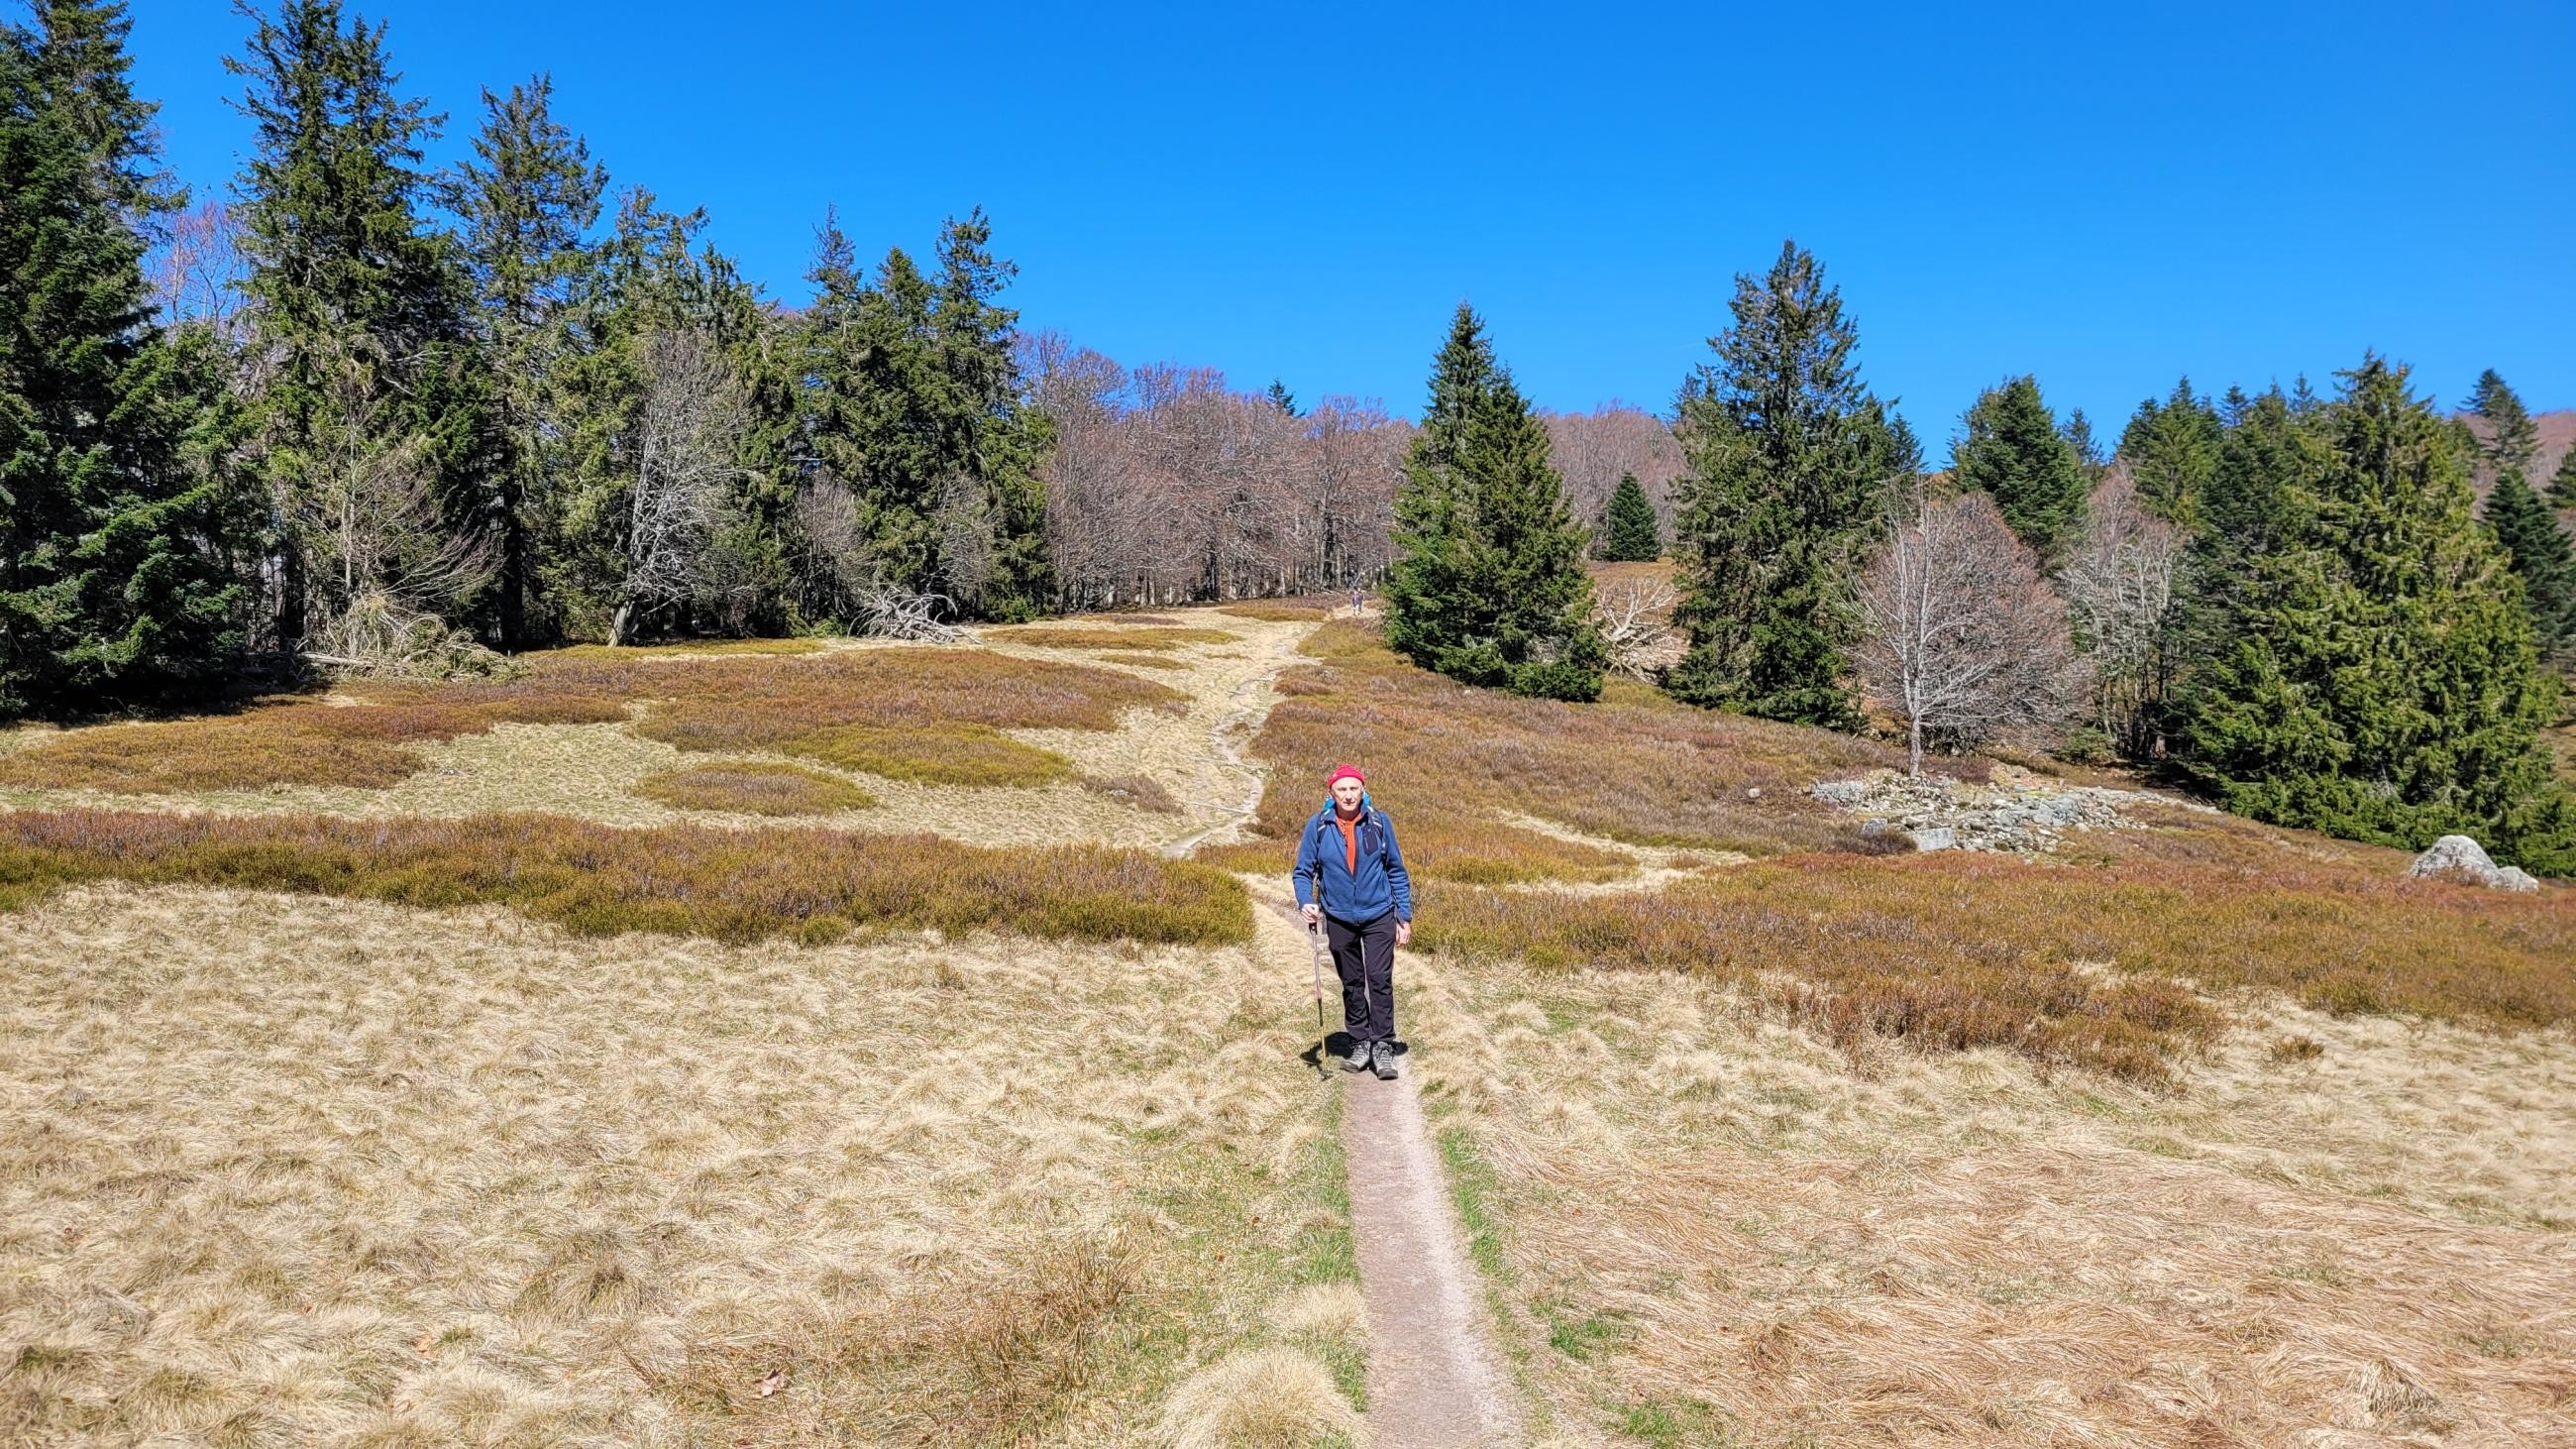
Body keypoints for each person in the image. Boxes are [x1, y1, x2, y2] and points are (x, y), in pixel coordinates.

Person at [1294, 764, 1413, 1078]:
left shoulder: (1379, 822)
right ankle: (1360, 1041)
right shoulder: (1318, 826)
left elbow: (1396, 871)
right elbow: (1303, 871)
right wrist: (1306, 900)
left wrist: (1404, 916)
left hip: (1379, 914)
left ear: (1363, 790)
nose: (1348, 795)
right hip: (1338, 916)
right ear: (1331, 794)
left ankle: (1383, 1046)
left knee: (1379, 980)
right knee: (1352, 983)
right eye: (1341, 789)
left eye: (1353, 789)